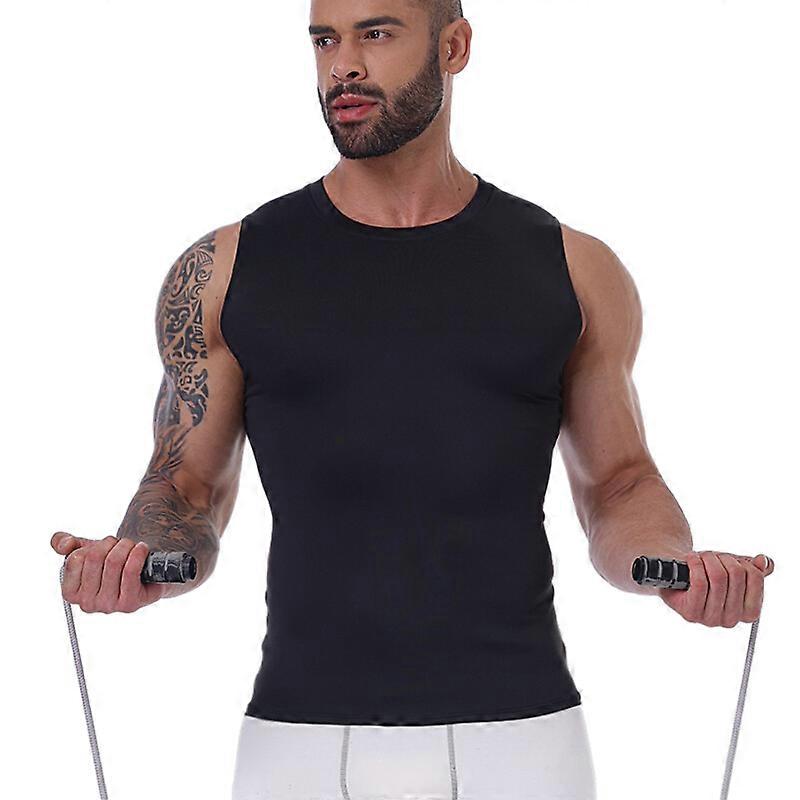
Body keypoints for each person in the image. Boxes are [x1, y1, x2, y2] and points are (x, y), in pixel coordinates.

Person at [51, 1, 776, 798]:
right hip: (300, 744)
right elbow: (186, 486)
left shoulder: (572, 267)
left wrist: (671, 568)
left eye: (377, 33)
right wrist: (140, 558)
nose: (343, 65)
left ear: (454, 47)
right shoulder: (226, 269)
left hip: (526, 742)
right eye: (325, 39)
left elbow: (620, 482)